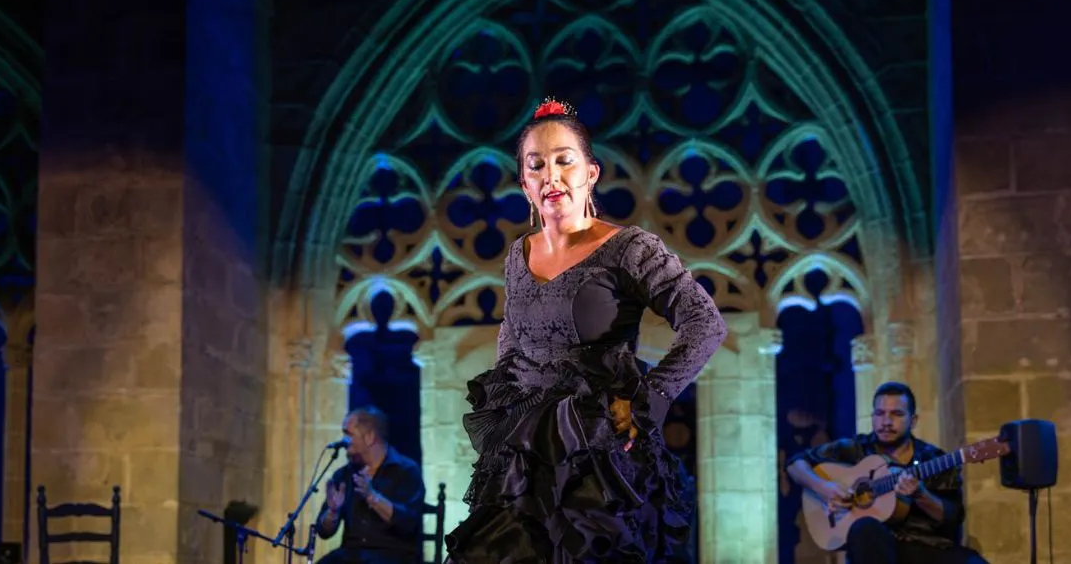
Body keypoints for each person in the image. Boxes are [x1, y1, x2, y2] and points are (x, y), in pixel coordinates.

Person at [444, 97, 728, 563]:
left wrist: (649, 400)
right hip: (523, 459)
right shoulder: (518, 255)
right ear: (524, 184)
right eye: (536, 165)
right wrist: (504, 415)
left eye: (564, 161)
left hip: (596, 452)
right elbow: (512, 336)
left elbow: (705, 323)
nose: (551, 176)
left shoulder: (629, 248)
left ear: (590, 173)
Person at [785, 382, 989, 564]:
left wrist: (921, 495)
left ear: (913, 420)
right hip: (873, 546)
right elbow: (795, 464)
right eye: (880, 413)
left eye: (897, 414)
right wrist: (824, 488)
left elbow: (952, 517)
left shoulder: (934, 459)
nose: (886, 422)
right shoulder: (856, 449)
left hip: (925, 545)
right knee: (866, 528)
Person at [316, 407, 427, 564]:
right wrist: (332, 512)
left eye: (349, 434)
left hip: (394, 555)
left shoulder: (406, 471)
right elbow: (324, 532)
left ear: (370, 437)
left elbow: (408, 524)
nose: (344, 441)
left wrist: (371, 496)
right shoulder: (344, 475)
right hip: (351, 555)